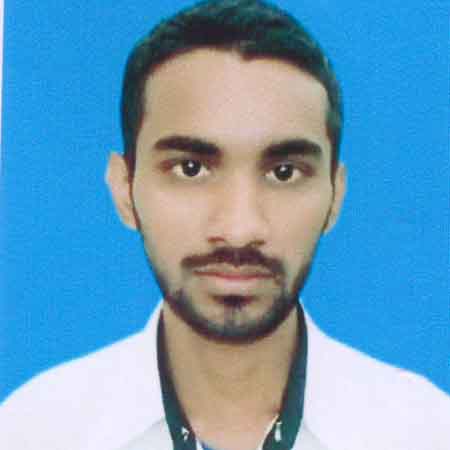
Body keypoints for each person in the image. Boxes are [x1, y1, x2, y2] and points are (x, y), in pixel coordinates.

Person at [1, 1, 448, 449]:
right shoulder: (33, 431)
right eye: (191, 168)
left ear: (336, 195)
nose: (239, 228)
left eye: (284, 173)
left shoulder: (425, 432)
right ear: (124, 190)